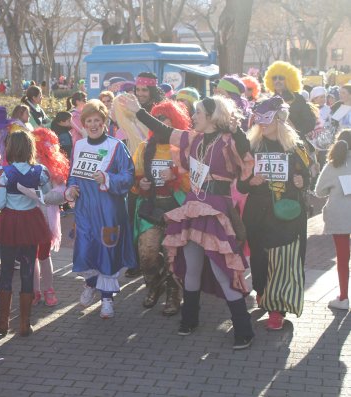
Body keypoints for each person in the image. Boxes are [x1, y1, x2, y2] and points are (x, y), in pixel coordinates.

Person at [120, 93, 255, 349]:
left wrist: (238, 132)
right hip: (193, 207)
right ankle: (190, 318)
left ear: (212, 117)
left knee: (221, 269)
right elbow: (164, 130)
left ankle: (243, 329)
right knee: (191, 267)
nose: (193, 117)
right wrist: (139, 111)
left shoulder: (228, 141)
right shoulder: (193, 138)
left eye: (198, 113)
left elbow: (245, 154)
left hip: (216, 209)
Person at [239, 97, 310, 330]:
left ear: (280, 120)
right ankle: (262, 292)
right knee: (259, 260)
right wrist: (251, 181)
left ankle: (277, 309)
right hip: (258, 215)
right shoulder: (252, 148)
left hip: (286, 216)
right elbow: (241, 186)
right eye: (258, 118)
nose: (261, 123)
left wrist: (301, 182)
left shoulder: (296, 148)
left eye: (266, 118)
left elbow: (307, 177)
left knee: (282, 262)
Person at [65, 99, 137, 319]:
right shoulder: (79, 145)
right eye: (89, 121)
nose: (93, 124)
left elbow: (128, 177)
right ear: (84, 123)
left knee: (107, 251)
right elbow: (73, 175)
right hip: (85, 209)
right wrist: (71, 189)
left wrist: (107, 178)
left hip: (108, 210)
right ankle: (91, 283)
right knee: (85, 249)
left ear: (104, 122)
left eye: (97, 120)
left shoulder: (116, 146)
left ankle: (107, 299)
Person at [130, 100, 191, 315]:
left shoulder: (184, 148)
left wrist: (176, 174)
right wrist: (141, 184)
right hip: (151, 209)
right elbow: (136, 180)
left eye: (164, 118)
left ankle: (174, 294)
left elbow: (195, 182)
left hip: (176, 210)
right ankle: (155, 285)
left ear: (174, 122)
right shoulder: (144, 148)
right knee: (146, 255)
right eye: (156, 118)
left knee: (174, 255)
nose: (159, 123)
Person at [0, 129, 52, 336]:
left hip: (10, 221)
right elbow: (46, 196)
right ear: (30, 148)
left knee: (7, 270)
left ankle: (2, 322)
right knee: (27, 269)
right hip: (31, 221)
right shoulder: (41, 171)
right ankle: (25, 324)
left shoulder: (2, 173)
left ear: (9, 149)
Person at [24, 127, 70, 307]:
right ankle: (34, 290)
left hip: (44, 217)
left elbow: (61, 190)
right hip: (28, 216)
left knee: (43, 255)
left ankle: (48, 289)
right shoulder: (25, 164)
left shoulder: (53, 167)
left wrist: (45, 197)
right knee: (30, 256)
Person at [315, 129, 351, 310]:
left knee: (343, 258)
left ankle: (343, 297)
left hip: (340, 216)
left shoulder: (333, 165)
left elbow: (319, 191)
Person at [263, 61, 317, 148]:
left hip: (294, 145)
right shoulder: (268, 101)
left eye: (281, 78)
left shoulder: (297, 99)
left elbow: (310, 122)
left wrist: (295, 133)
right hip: (274, 147)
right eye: (274, 78)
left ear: (289, 79)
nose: (277, 81)